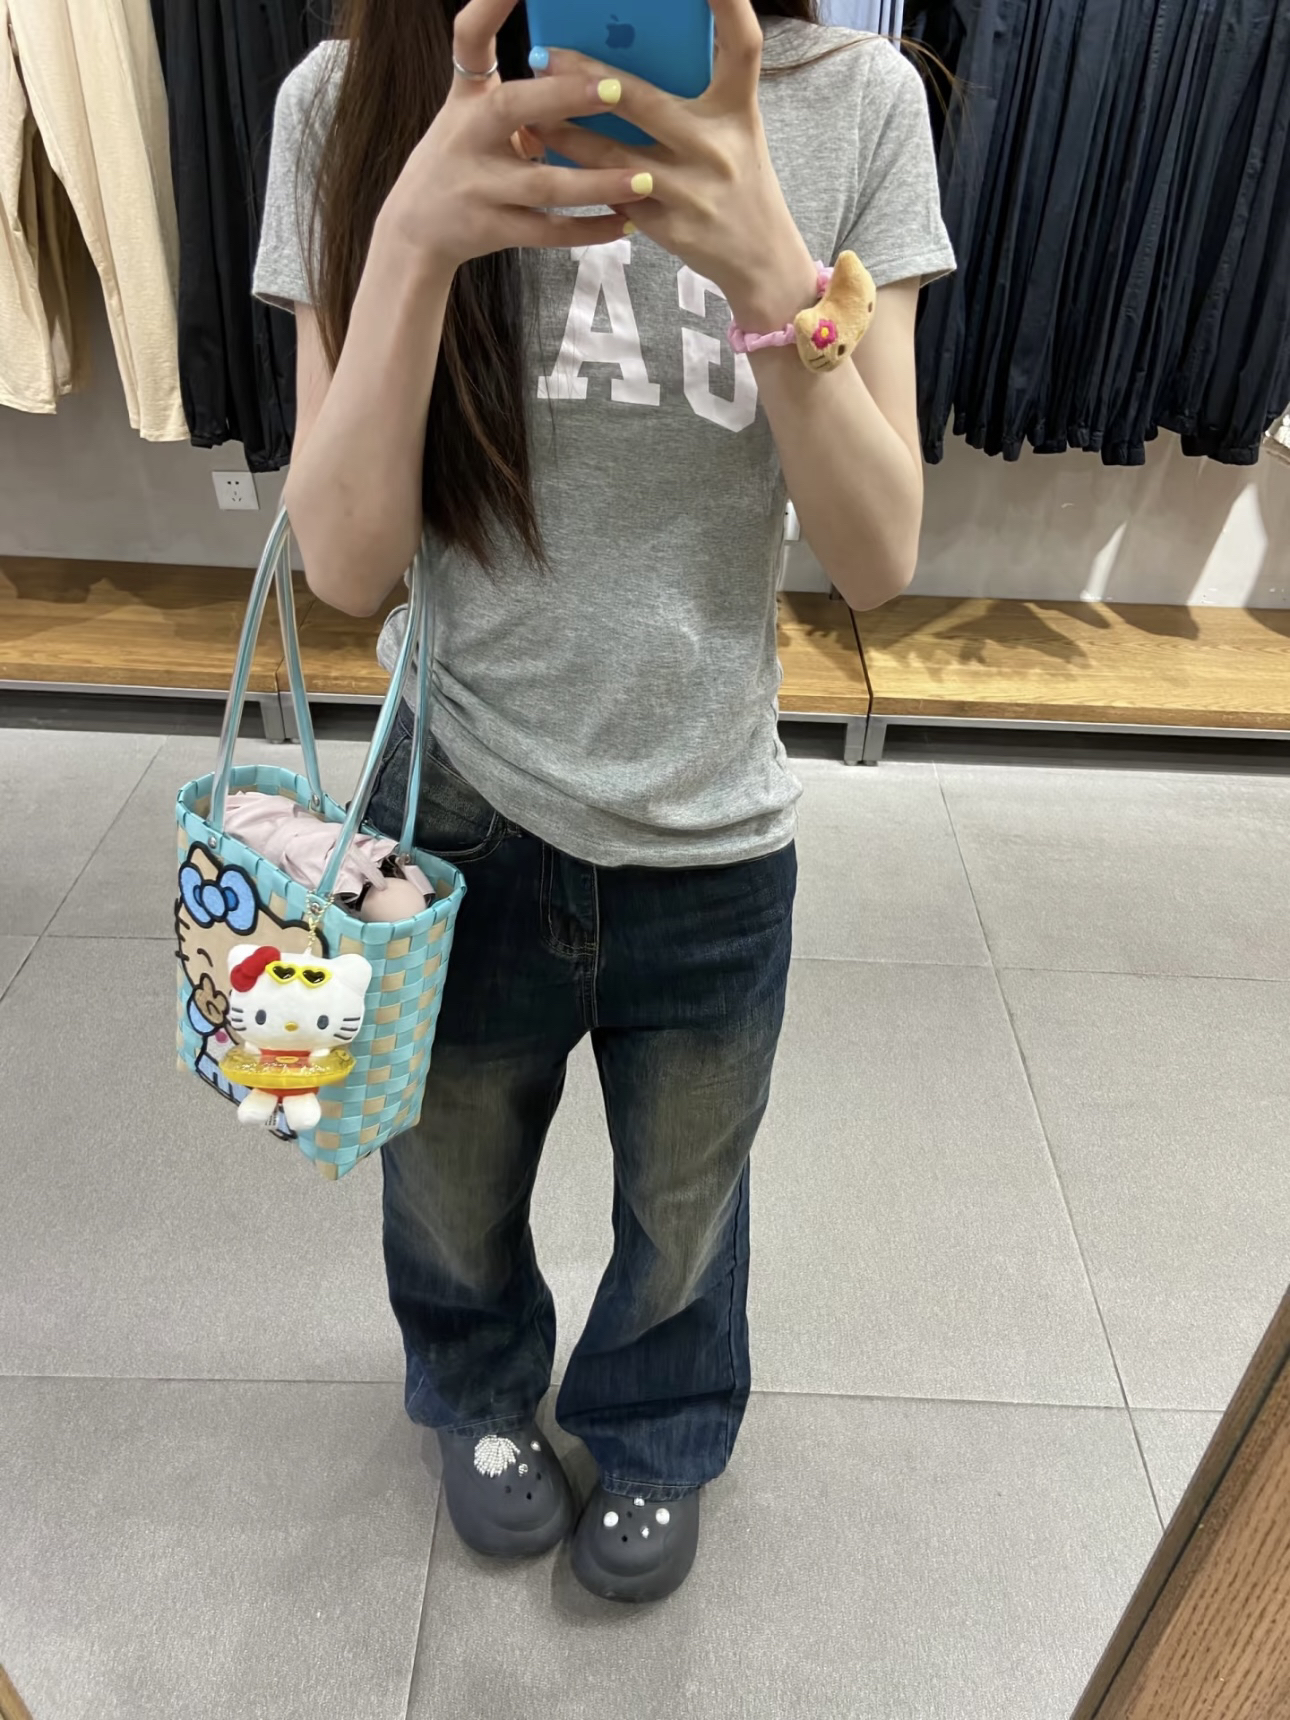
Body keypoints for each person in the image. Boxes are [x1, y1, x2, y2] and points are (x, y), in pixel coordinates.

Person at [254, 0, 954, 1603]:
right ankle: (476, 1395)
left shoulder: (852, 103)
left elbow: (877, 556)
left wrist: (773, 277)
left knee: (688, 1205)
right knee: (443, 1188)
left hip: (711, 813)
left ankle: (656, 1430)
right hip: (450, 807)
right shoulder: (346, 101)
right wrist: (414, 239)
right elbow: (348, 566)